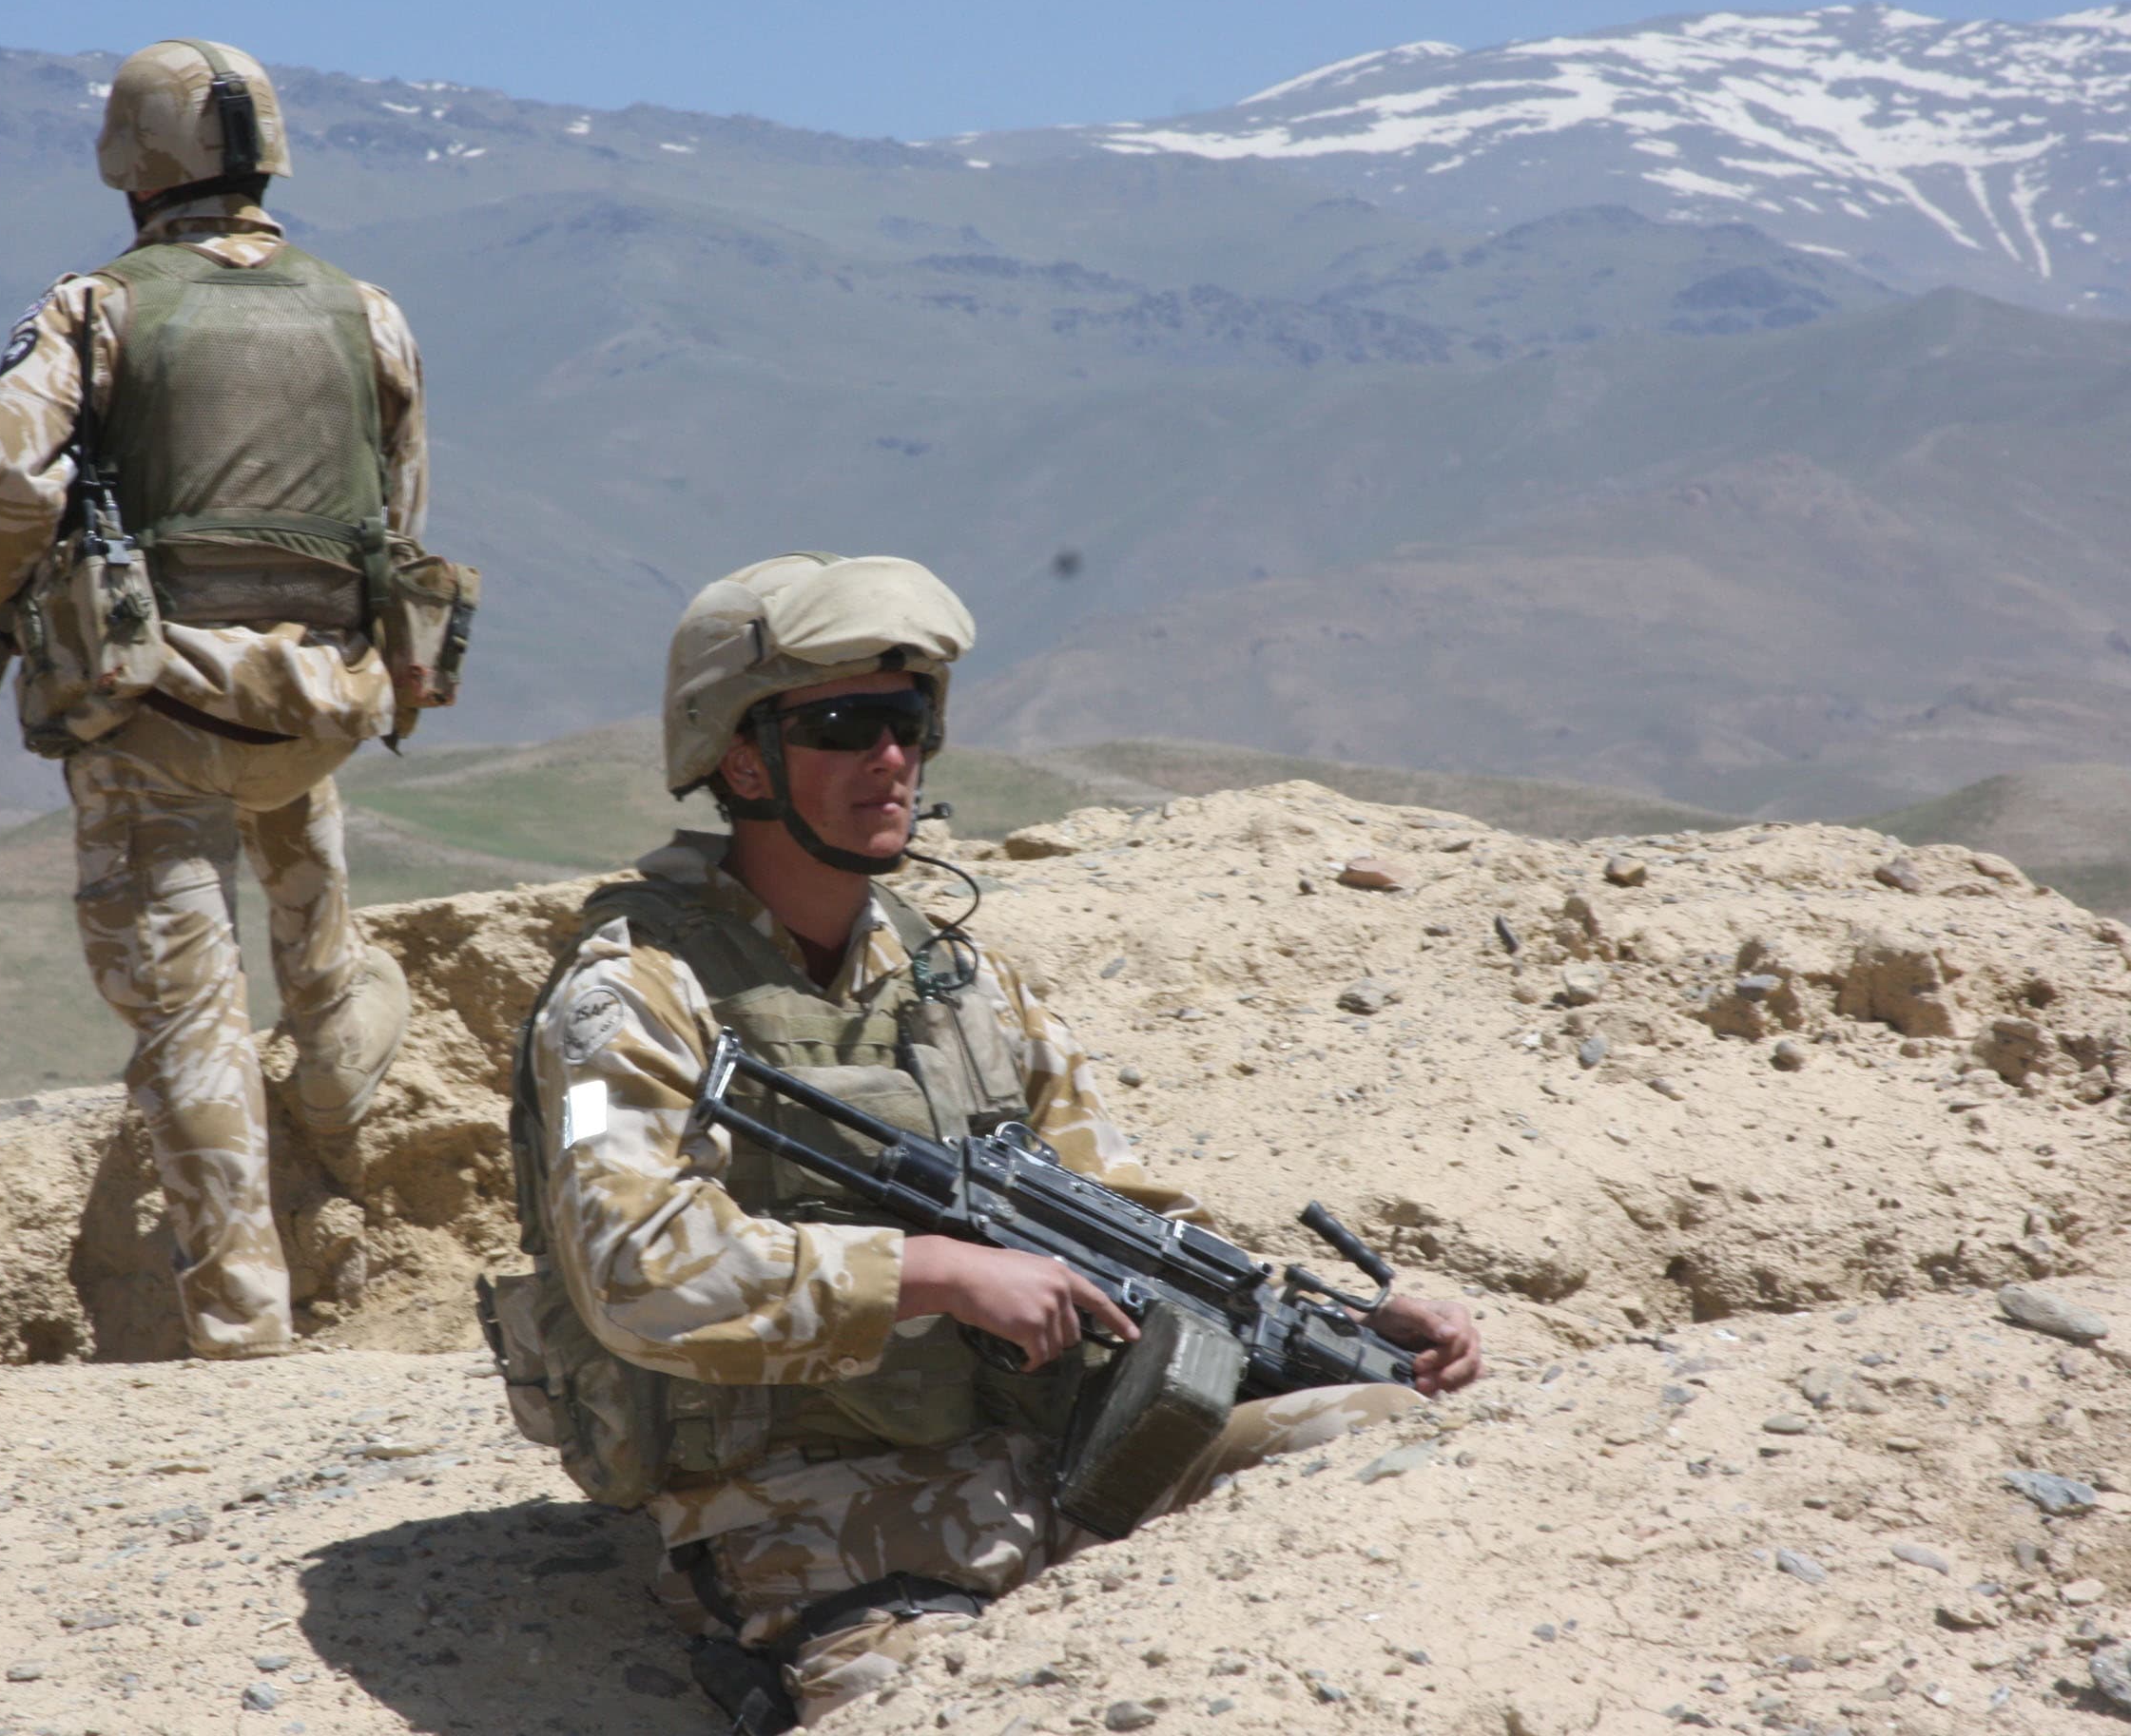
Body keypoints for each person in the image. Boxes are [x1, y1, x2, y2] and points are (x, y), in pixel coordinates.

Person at [492, 552, 1483, 1730]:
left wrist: (1313, 1325)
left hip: (1063, 1455)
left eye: (909, 721)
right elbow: (630, 1266)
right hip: (808, 1507)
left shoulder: (961, 980)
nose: (891, 758)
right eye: (844, 723)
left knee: (1389, 1447)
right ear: (740, 756)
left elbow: (1120, 1212)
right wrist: (934, 1274)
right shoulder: (630, 995)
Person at [0, 38, 422, 1360]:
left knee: (188, 1020)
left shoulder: (98, 311)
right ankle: (337, 1072)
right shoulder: (366, 312)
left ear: (130, 164)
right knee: (309, 918)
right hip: (318, 705)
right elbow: (396, 518)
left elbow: (1, 474)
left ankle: (241, 1328)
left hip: (157, 717)